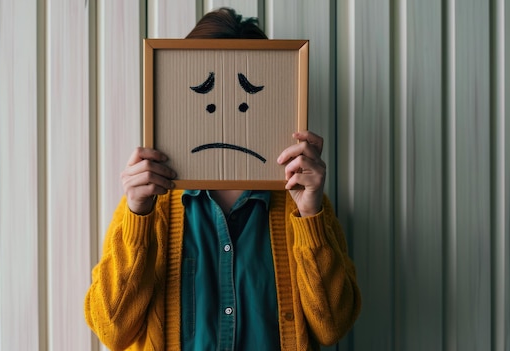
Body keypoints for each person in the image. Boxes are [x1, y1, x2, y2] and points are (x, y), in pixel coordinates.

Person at [84, 7, 361, 351]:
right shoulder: (150, 205)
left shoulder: (302, 204)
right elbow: (110, 329)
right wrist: (138, 215)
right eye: (204, 92)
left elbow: (332, 326)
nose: (226, 110)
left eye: (249, 93)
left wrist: (310, 217)